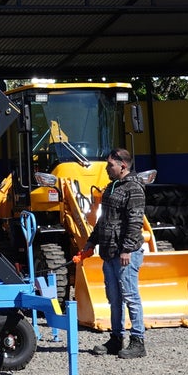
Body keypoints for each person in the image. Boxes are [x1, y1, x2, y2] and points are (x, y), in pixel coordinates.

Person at [76, 146, 146, 358]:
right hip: (109, 253)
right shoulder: (111, 187)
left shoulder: (134, 188)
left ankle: (138, 341)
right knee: (114, 299)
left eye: (110, 165)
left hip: (125, 254)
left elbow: (135, 222)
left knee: (130, 296)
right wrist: (90, 243)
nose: (107, 168)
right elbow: (103, 220)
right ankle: (116, 338)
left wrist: (127, 249)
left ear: (123, 165)